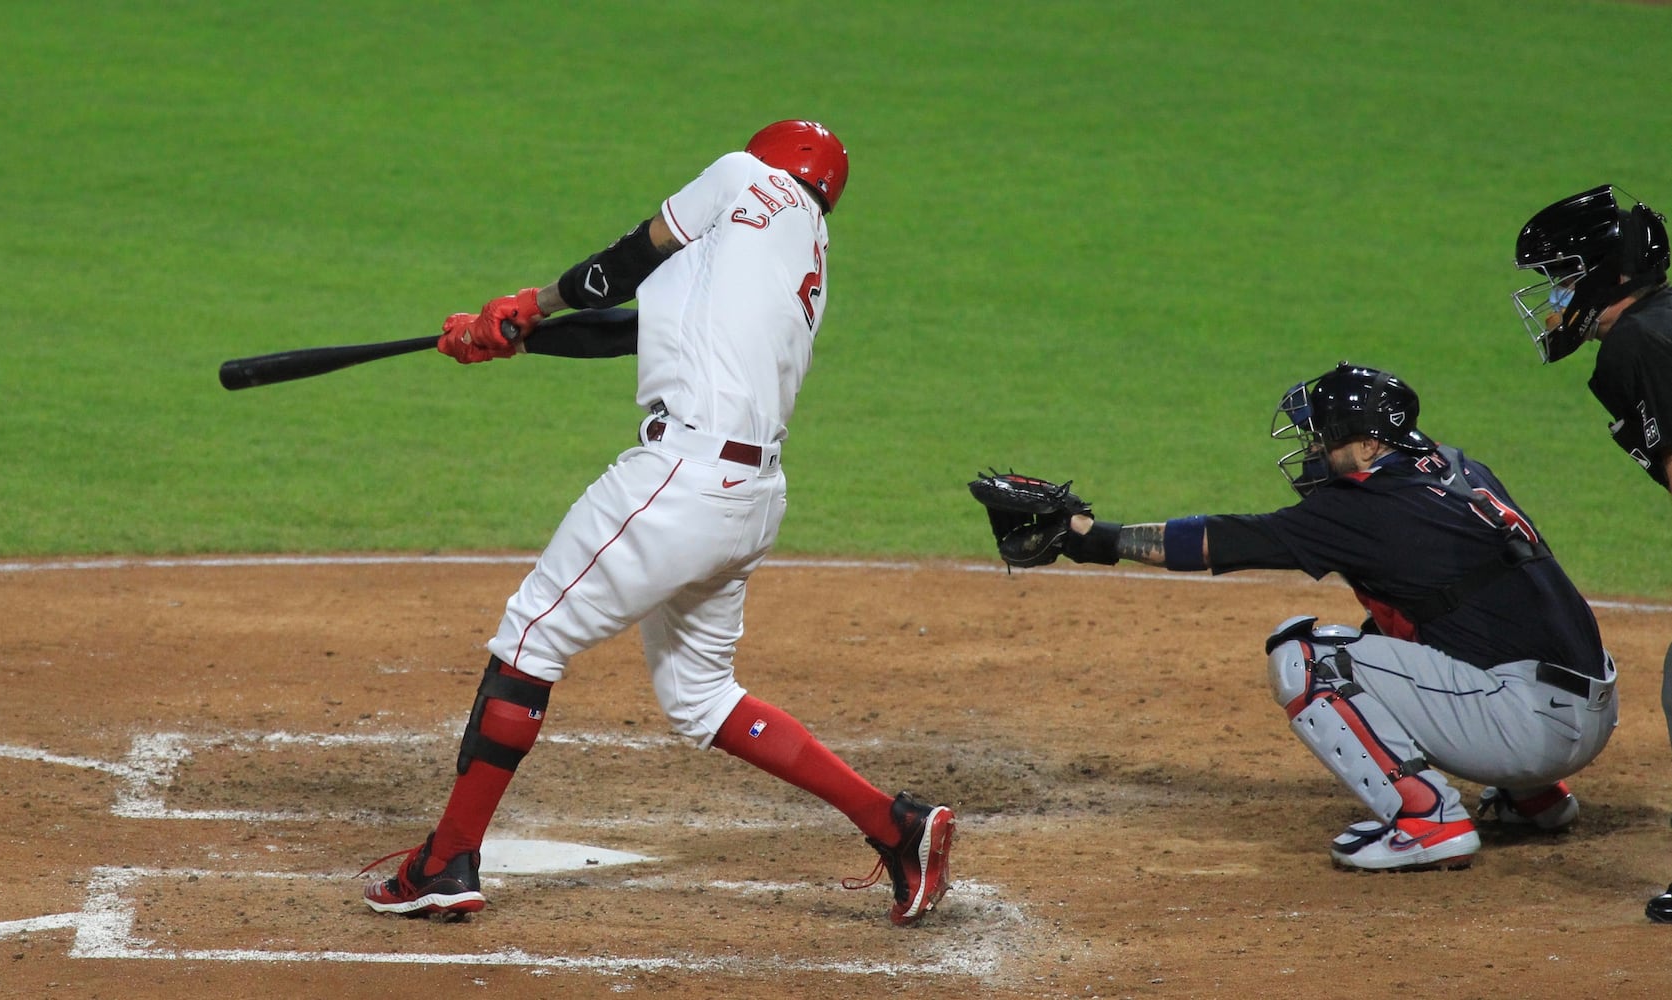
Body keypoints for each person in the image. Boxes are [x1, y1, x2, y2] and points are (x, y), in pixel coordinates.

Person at [360, 120, 955, 926]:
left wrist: (523, 305)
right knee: (701, 696)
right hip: (750, 498)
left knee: (529, 641)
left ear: (766, 156)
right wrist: (517, 342)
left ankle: (444, 862)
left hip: (681, 479)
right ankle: (895, 825)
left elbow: (618, 270)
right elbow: (633, 328)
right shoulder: (796, 254)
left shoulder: (741, 175)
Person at [1041, 363, 1617, 872]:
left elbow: (1226, 540)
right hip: (1586, 706)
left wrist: (1092, 538)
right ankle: (1534, 797)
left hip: (1530, 730)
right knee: (1399, 628)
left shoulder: (1362, 508)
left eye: (1325, 439)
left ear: (1368, 448)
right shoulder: (1456, 469)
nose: (1314, 451)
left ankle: (1429, 821)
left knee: (1307, 660)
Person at [1511, 185, 1672, 922]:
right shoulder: (1657, 326)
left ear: (1607, 274)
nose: (1554, 297)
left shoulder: (1639, 345)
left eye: (1563, 276)